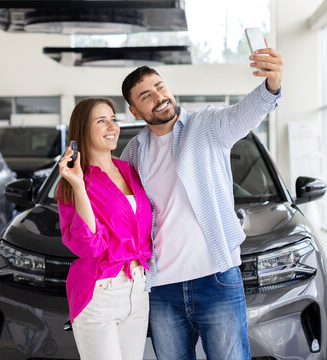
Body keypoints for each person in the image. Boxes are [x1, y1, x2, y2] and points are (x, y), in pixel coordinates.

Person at [120, 48, 284, 359]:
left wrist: (272, 83)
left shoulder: (207, 125)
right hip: (162, 288)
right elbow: (123, 213)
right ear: (135, 111)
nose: (159, 96)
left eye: (160, 86)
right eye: (146, 95)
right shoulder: (134, 152)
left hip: (216, 279)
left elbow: (246, 111)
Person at [56, 97, 152, 360]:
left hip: (138, 288)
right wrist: (78, 184)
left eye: (114, 119)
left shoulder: (130, 171)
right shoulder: (73, 183)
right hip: (99, 293)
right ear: (81, 131)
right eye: (101, 121)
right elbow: (89, 245)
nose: (112, 126)